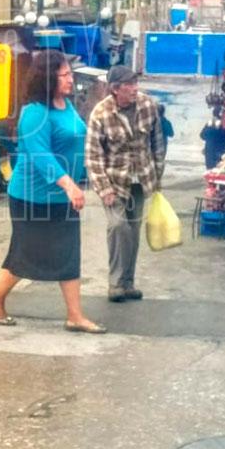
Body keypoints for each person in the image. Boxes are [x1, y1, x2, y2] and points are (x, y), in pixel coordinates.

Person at [0, 50, 105, 334]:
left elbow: (76, 139)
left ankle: (75, 315)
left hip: (62, 196)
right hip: (32, 196)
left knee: (69, 252)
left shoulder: (66, 105)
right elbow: (41, 156)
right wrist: (69, 184)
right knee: (29, 253)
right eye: (65, 75)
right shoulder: (35, 112)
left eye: (70, 74)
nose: (71, 79)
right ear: (48, 77)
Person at [85, 66, 165, 303]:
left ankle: (128, 282)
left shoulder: (148, 105)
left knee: (133, 231)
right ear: (115, 89)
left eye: (135, 83)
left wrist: (157, 177)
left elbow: (158, 143)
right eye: (129, 85)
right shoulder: (101, 114)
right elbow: (93, 156)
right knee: (118, 226)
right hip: (114, 182)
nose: (134, 89)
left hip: (140, 180)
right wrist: (104, 189)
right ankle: (116, 284)